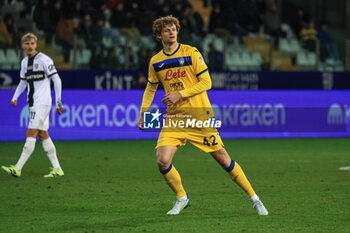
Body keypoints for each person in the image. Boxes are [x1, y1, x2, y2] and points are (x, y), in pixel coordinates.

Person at [137, 15, 268, 215]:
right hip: (174, 118)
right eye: (167, 30)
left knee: (223, 159)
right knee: (162, 160)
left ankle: (255, 199)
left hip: (199, 116)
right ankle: (182, 198)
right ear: (158, 35)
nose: (172, 32)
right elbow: (150, 89)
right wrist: (143, 113)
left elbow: (207, 82)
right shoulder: (156, 61)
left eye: (174, 29)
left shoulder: (191, 52)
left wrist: (180, 94)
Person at [1, 33, 65, 178]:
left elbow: (57, 80)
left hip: (42, 102)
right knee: (43, 135)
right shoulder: (24, 62)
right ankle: (58, 169)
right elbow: (23, 82)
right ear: (22, 46)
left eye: (32, 43)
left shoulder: (44, 59)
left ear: (36, 45)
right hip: (33, 103)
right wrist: (15, 97)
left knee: (31, 133)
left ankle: (17, 168)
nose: (29, 46)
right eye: (26, 44)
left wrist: (58, 101)